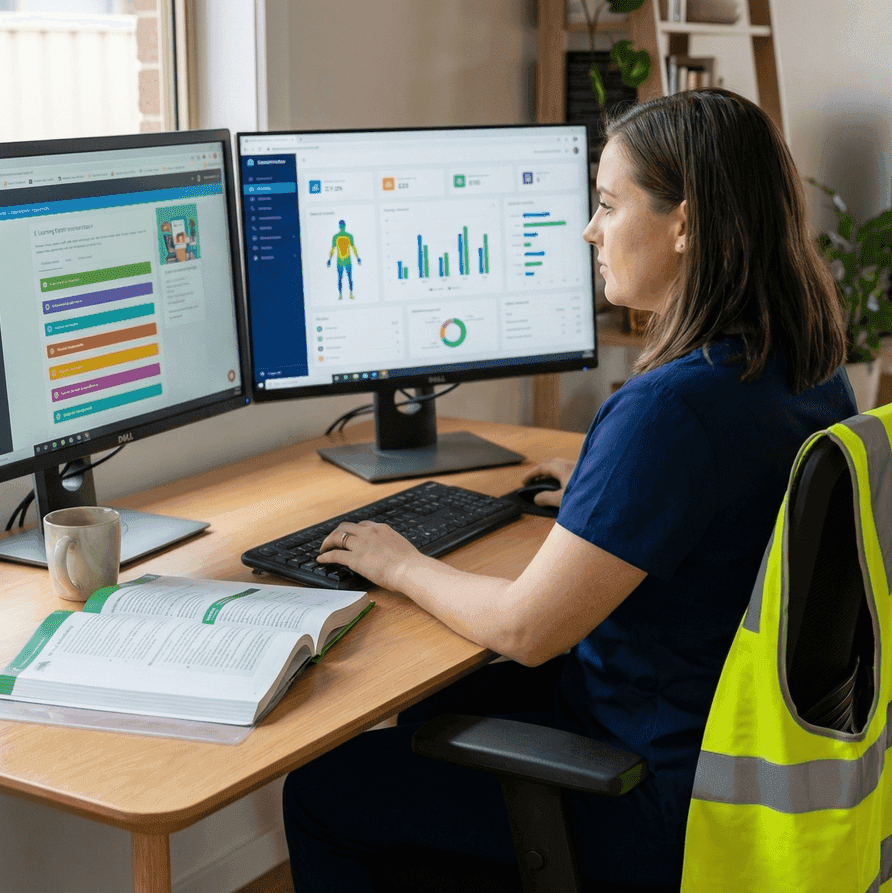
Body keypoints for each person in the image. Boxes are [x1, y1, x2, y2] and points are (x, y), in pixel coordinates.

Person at [283, 89, 857, 891]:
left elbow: (524, 629)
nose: (589, 230)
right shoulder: (810, 368)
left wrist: (400, 560)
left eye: (608, 203)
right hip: (738, 759)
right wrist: (607, 482)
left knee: (321, 790)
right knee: (433, 714)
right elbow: (715, 493)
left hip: (651, 794)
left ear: (684, 224)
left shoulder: (668, 413)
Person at [327, 219, 362, 299]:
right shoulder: (338, 237)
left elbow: (353, 248)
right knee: (342, 277)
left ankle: (348, 294)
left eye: (342, 225)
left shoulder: (345, 236)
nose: (342, 227)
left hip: (345, 259)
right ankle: (342, 295)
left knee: (347, 277)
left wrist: (357, 257)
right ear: (342, 226)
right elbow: (333, 249)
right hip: (342, 259)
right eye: (342, 225)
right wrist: (329, 259)